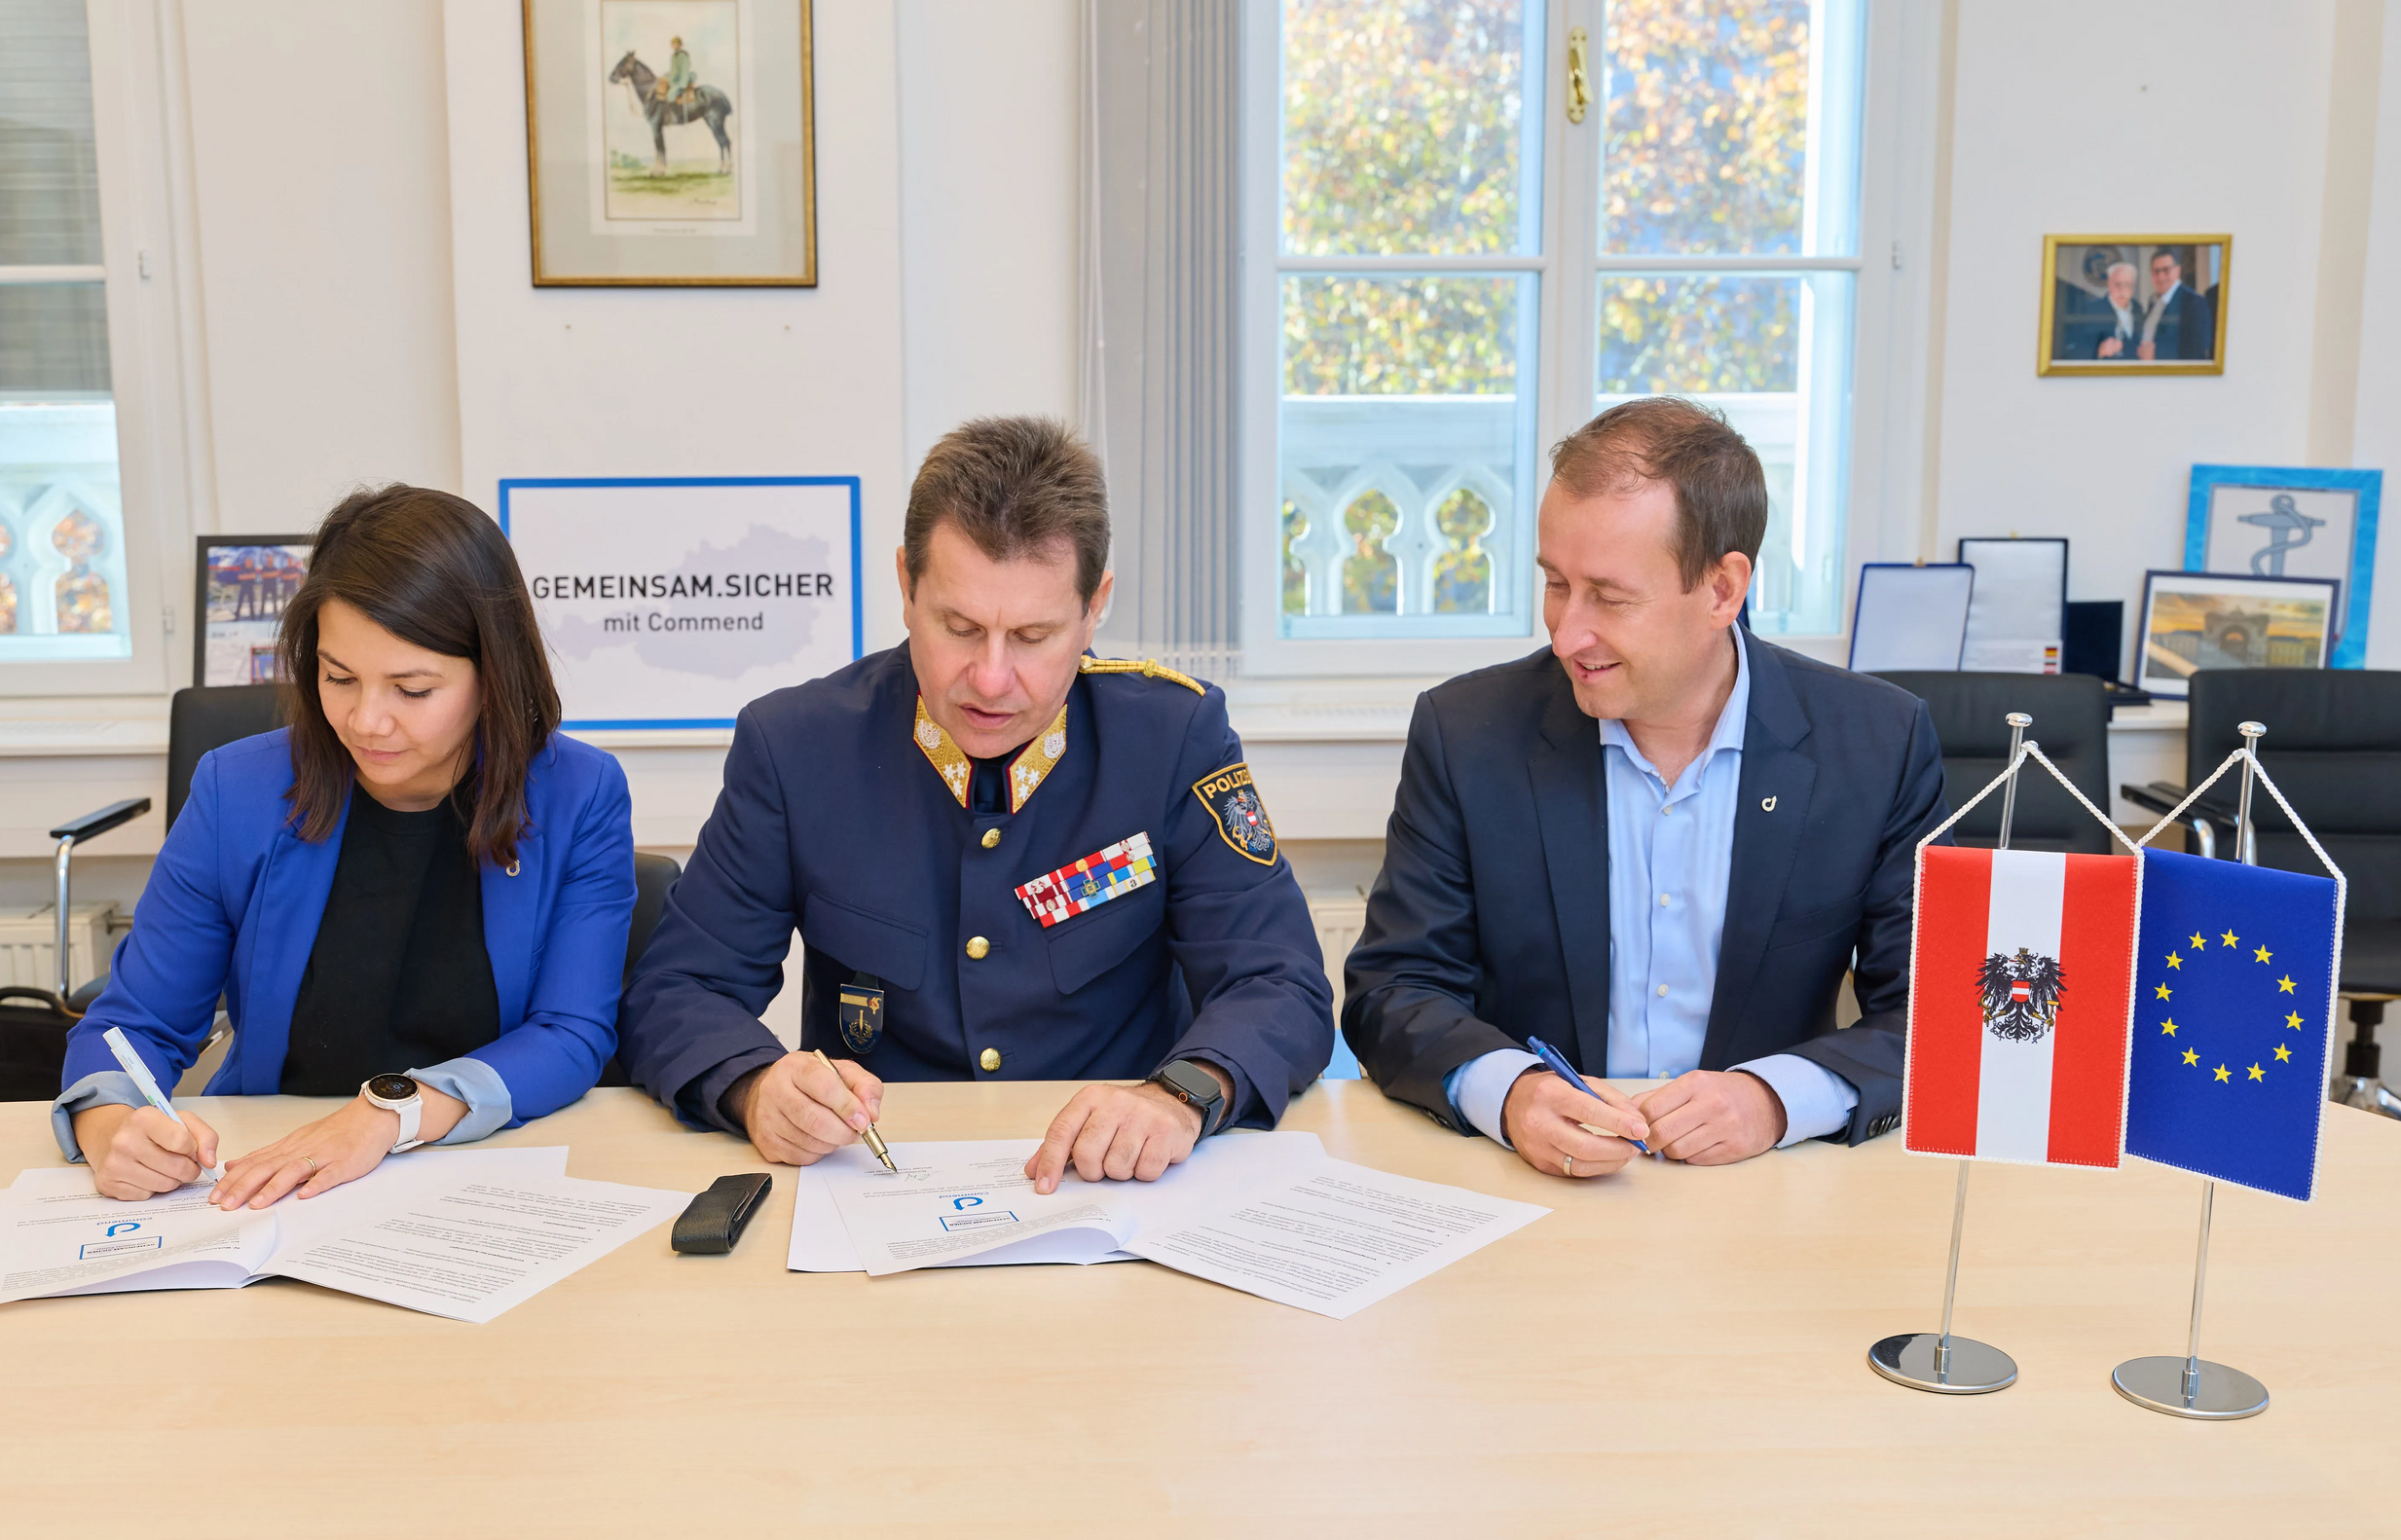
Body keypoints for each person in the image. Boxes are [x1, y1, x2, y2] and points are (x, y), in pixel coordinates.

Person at [620, 417, 1333, 1192]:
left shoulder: (1170, 737)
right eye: (959, 628)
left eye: (1032, 635)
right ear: (905, 585)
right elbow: (679, 989)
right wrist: (753, 1085)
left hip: (1115, 1189)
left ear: (1095, 607)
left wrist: (1182, 1095)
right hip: (878, 1184)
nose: (990, 679)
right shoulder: (795, 746)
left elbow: (1279, 982)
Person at [1342, 397, 1949, 1180]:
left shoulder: (1875, 743)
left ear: (1723, 590)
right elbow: (1394, 990)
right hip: (1526, 1182)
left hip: (1772, 1183)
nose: (1565, 635)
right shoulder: (1466, 732)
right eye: (1555, 584)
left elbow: (1933, 1011)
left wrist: (1774, 1097)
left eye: (1610, 596)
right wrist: (1511, 1093)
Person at [54, 486, 637, 1208]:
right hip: (277, 1178)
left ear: (493, 676)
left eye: (412, 689)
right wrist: (111, 1125)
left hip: (490, 1175)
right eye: (339, 678)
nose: (365, 720)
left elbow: (571, 1034)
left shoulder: (580, 793)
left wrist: (388, 1113)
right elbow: (133, 1025)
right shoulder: (235, 790)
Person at [2135, 247, 2215, 361]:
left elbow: (2197, 351)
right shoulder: (2153, 302)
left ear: (2178, 270)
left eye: (2166, 270)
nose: (2160, 276)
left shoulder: (2195, 303)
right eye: (2156, 271)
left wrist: (2155, 355)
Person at [2062, 259, 2140, 360]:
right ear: (2109, 284)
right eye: (2118, 284)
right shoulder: (2091, 310)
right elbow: (2073, 349)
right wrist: (2099, 351)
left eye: (2127, 285)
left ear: (2133, 287)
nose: (2122, 290)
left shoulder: (2138, 309)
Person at [657, 35, 695, 107]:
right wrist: (667, 76)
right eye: (672, 44)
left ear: (679, 45)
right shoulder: (673, 56)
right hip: (674, 81)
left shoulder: (682, 55)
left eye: (675, 44)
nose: (673, 46)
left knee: (671, 95)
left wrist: (682, 84)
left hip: (681, 81)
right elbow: (674, 70)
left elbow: (684, 71)